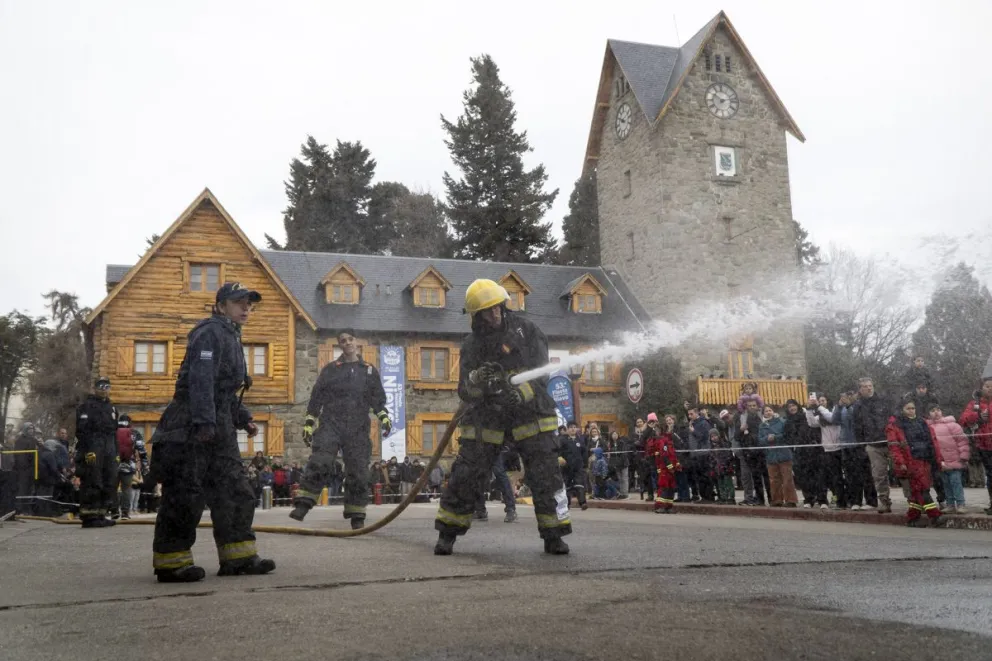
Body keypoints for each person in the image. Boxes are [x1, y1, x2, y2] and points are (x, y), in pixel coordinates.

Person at [433, 279, 571, 555]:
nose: (495, 314)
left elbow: (542, 372)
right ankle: (448, 532)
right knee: (467, 473)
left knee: (545, 473)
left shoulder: (526, 330)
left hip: (530, 411)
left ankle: (553, 534)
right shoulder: (471, 345)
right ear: (476, 316)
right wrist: (476, 379)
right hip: (488, 414)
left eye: (497, 307)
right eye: (487, 311)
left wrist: (522, 393)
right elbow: (465, 390)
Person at [150, 282, 274, 582]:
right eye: (238, 302)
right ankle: (171, 562)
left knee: (234, 490)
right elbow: (200, 381)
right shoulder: (209, 332)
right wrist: (205, 422)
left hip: (219, 423)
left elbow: (224, 392)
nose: (246, 308)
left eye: (249, 304)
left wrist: (242, 418)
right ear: (221, 306)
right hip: (191, 425)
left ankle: (239, 557)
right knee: (185, 493)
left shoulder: (230, 334)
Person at [290, 329, 390, 529]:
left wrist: (384, 418)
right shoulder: (330, 369)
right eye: (342, 341)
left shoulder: (369, 370)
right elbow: (316, 398)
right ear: (339, 345)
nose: (347, 343)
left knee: (359, 471)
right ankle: (303, 504)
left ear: (356, 341)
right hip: (331, 424)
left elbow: (377, 400)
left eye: (350, 339)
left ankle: (357, 515)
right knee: (320, 461)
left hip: (357, 427)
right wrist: (309, 424)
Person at [886, 399, 946, 527]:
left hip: (925, 458)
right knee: (923, 488)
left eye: (913, 408)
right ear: (902, 409)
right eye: (908, 408)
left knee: (917, 490)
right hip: (910, 460)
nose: (911, 411)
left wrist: (937, 458)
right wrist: (900, 462)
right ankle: (934, 515)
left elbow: (932, 441)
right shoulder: (896, 425)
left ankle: (913, 517)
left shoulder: (922, 422)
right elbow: (894, 447)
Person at [75, 378, 119, 527]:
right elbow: (82, 430)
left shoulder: (112, 408)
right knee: (93, 479)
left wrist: (116, 452)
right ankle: (89, 516)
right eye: (101, 387)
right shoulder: (87, 406)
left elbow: (114, 431)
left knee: (108, 479)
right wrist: (87, 450)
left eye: (107, 387)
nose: (104, 390)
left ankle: (101, 514)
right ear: (95, 389)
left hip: (109, 445)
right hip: (94, 444)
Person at [852, 378, 894, 514]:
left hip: (890, 441)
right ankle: (884, 502)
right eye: (865, 386)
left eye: (870, 385)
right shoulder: (858, 405)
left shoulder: (883, 401)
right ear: (860, 389)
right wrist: (862, 444)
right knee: (879, 475)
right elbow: (857, 427)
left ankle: (914, 501)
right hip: (872, 444)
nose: (869, 388)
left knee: (903, 471)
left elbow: (893, 418)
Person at [928, 404, 970, 514]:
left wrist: (964, 456)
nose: (936, 412)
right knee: (946, 484)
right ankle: (950, 504)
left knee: (956, 483)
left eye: (938, 410)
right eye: (933, 410)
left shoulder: (952, 425)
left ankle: (961, 504)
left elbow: (962, 441)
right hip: (940, 462)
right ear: (928, 414)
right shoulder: (928, 428)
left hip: (955, 460)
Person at [959, 377, 992, 515]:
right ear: (981, 388)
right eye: (987, 386)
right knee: (990, 475)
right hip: (984, 445)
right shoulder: (975, 403)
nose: (990, 389)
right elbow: (963, 420)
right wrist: (977, 416)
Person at [759, 406, 797, 507]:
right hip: (771, 456)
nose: (768, 412)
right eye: (766, 411)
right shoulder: (762, 426)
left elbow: (787, 435)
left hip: (784, 454)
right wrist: (767, 439)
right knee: (773, 480)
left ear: (773, 411)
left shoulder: (782, 421)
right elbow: (760, 440)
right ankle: (777, 500)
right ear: (763, 413)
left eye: (770, 410)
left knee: (787, 479)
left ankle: (791, 500)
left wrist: (775, 437)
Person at [646, 415, 679, 513]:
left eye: (658, 429)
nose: (656, 431)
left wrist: (676, 464)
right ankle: (661, 506)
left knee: (671, 486)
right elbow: (663, 455)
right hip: (664, 468)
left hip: (669, 467)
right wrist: (670, 466)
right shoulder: (660, 441)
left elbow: (672, 453)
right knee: (664, 486)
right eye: (655, 430)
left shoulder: (666, 440)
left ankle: (669, 506)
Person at [558, 422, 588, 510]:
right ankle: (567, 504)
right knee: (566, 486)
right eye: (571, 427)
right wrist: (559, 457)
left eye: (575, 427)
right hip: (566, 467)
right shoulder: (562, 440)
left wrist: (585, 464)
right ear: (567, 429)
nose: (573, 429)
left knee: (579, 484)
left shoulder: (580, 440)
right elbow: (557, 450)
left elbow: (584, 452)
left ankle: (583, 503)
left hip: (578, 467)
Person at [113, 414, 137, 520]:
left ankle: (114, 511)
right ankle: (125, 513)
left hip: (114, 465)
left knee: (113, 488)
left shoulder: (113, 432)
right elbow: (140, 448)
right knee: (126, 489)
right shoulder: (134, 433)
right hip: (128, 466)